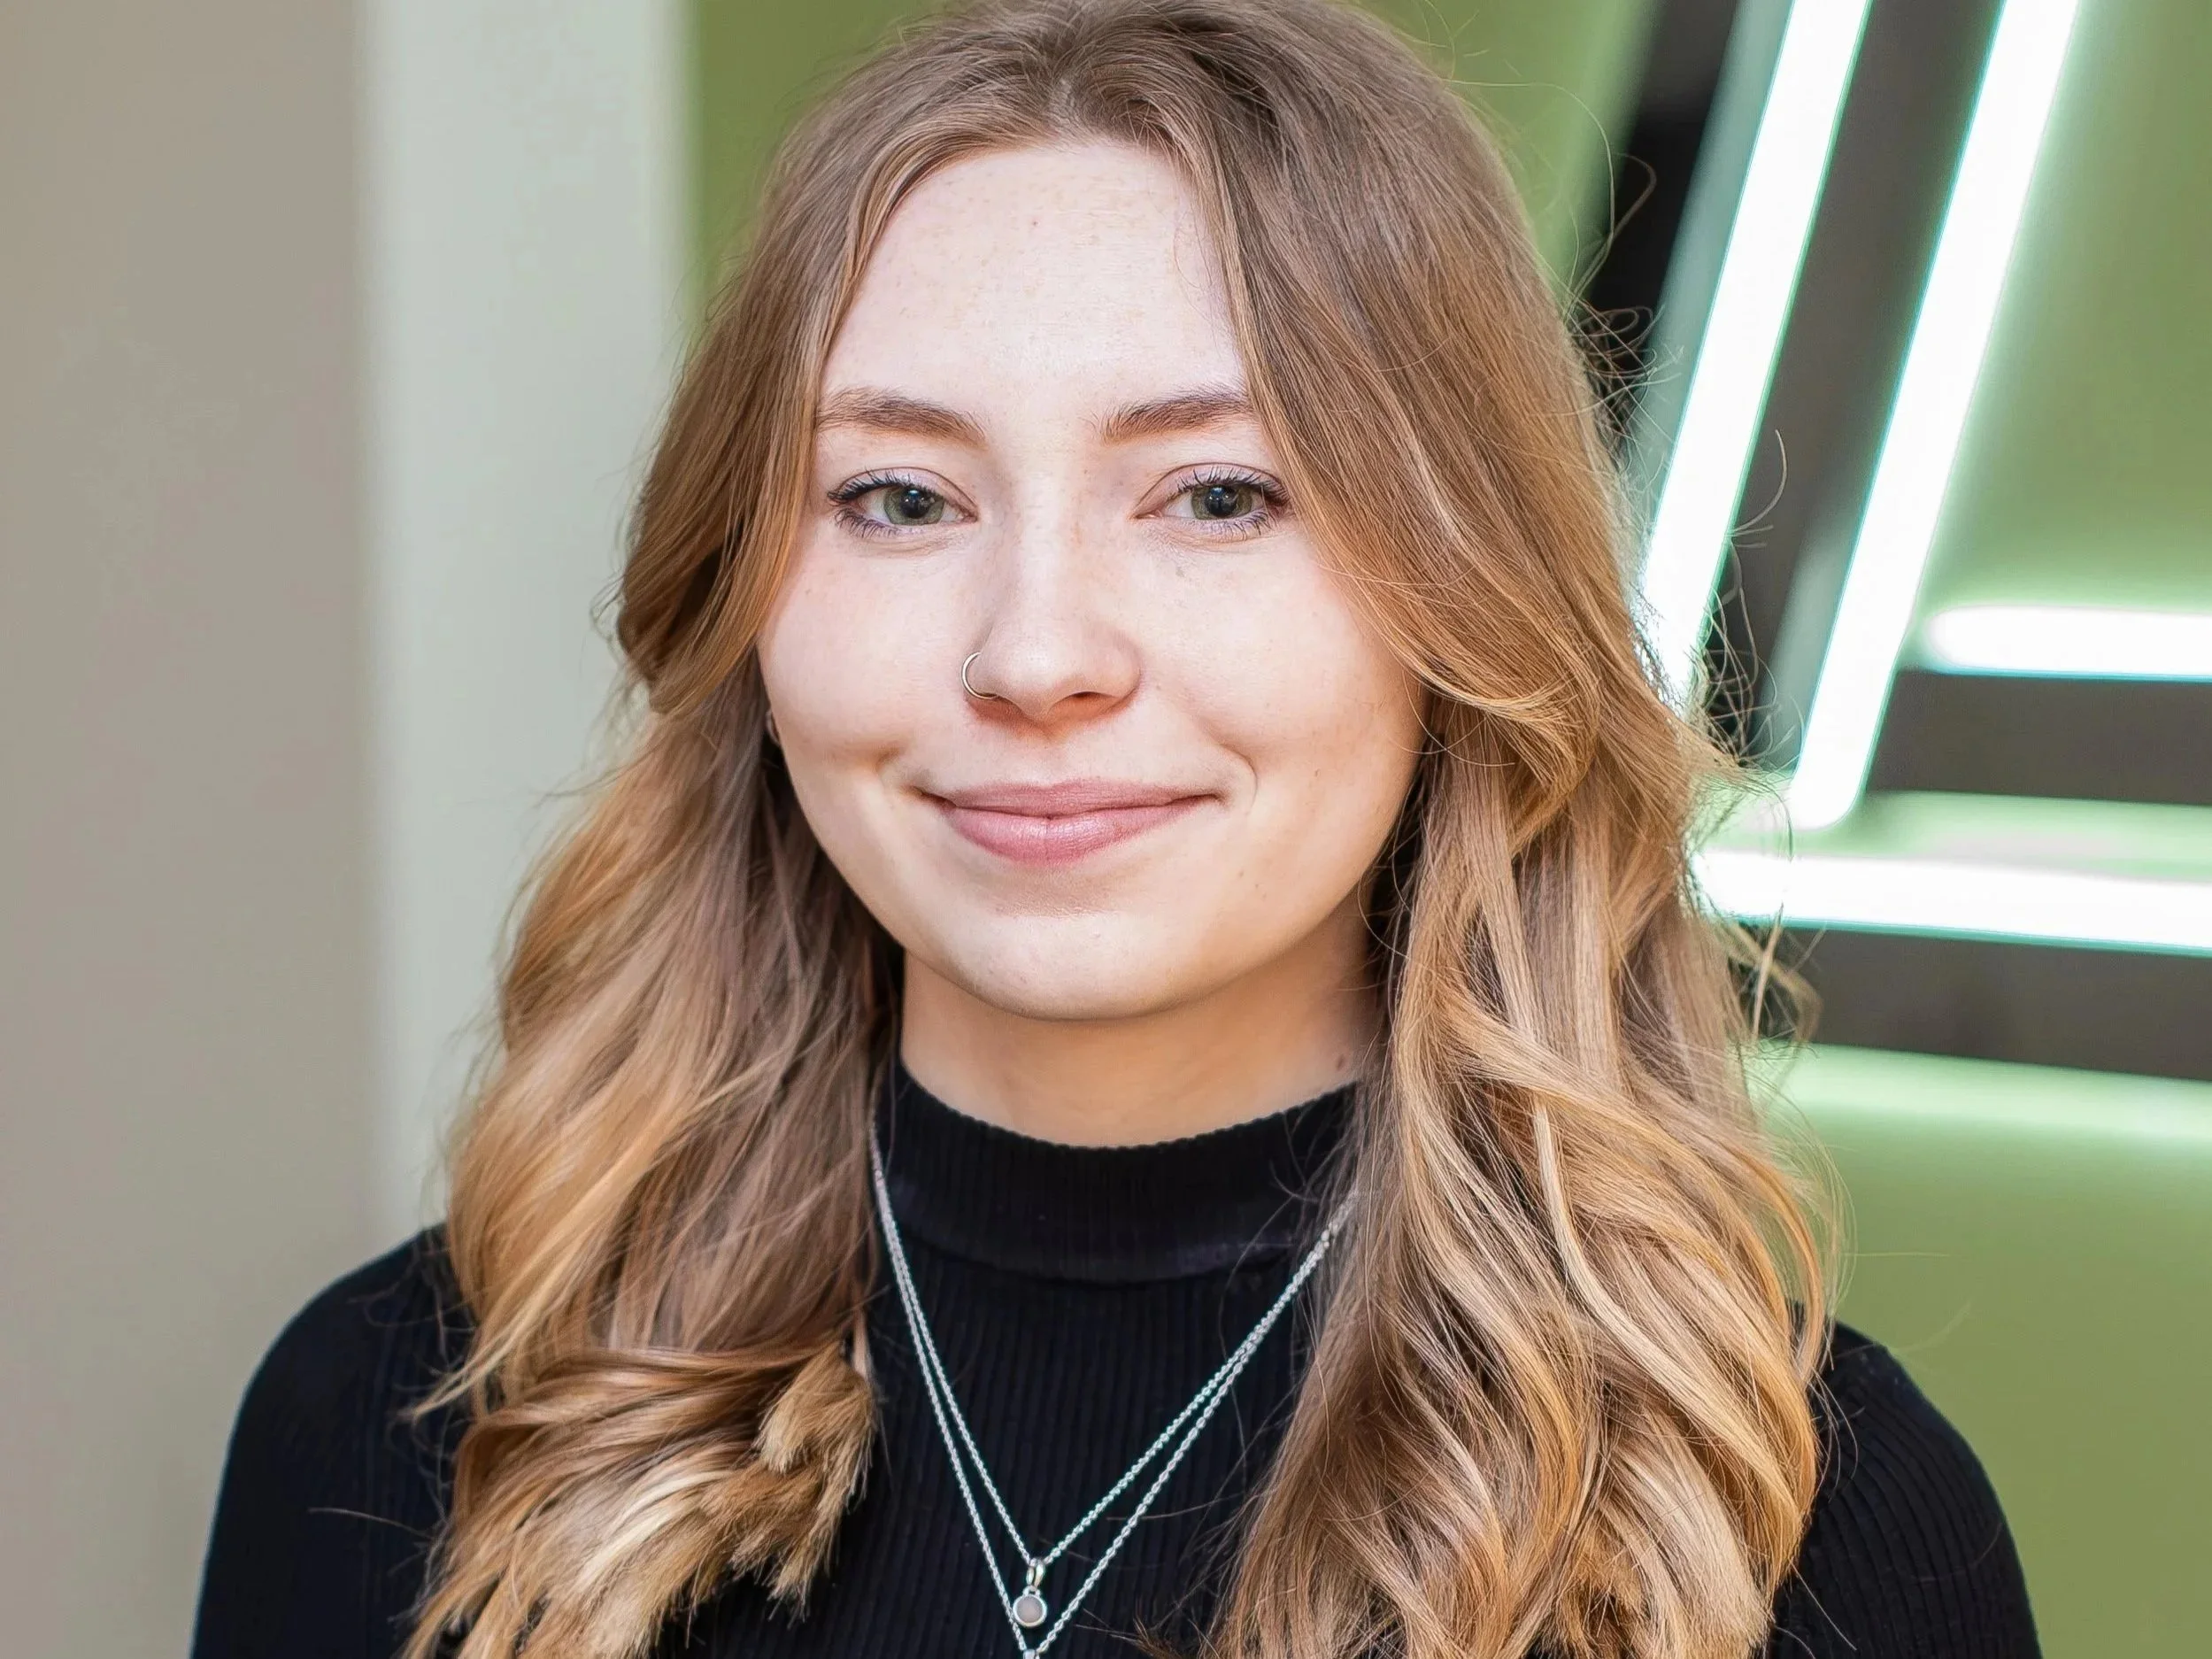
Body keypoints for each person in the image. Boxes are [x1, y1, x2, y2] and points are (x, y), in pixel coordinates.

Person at [190, 2, 2038, 1655]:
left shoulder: (1791, 1542)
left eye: (1217, 493)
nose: (1039, 652)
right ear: (745, 602)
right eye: (900, 497)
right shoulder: (400, 1427)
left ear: (1458, 598)